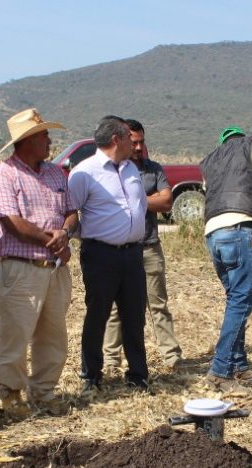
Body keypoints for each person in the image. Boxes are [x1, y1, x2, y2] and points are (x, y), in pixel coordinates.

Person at [0, 108, 77, 416]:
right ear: (27, 142)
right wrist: (50, 240)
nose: (49, 140)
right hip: (22, 268)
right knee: (16, 334)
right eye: (44, 136)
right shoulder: (4, 174)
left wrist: (64, 232)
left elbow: (71, 210)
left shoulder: (54, 173)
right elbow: (11, 222)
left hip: (54, 269)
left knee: (53, 335)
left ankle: (44, 391)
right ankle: (11, 393)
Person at [69, 116, 149, 394]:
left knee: (134, 315)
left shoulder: (130, 169)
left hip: (133, 254)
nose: (135, 144)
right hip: (100, 255)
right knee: (97, 314)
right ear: (116, 139)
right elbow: (70, 211)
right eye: (129, 137)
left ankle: (138, 375)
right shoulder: (84, 172)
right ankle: (91, 375)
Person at [199, 126, 252, 396]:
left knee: (235, 298)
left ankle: (239, 364)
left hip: (213, 233)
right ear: (239, 138)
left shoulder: (210, 159)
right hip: (240, 228)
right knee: (242, 301)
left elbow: (207, 191)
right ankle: (220, 371)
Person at [103, 119, 182, 371]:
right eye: (133, 142)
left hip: (149, 247)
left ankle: (171, 357)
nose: (138, 147)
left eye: (141, 142)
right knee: (116, 309)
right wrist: (150, 199)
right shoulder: (113, 169)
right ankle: (111, 360)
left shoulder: (154, 169)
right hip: (121, 250)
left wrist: (134, 200)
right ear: (122, 140)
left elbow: (167, 201)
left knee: (158, 304)